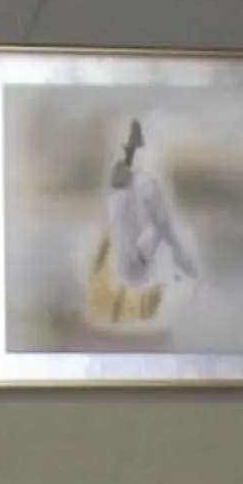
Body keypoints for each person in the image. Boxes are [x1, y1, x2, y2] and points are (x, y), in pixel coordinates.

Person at [84, 118, 198, 330]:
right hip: (133, 262)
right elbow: (161, 228)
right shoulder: (127, 192)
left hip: (136, 260)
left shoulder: (140, 187)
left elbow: (162, 227)